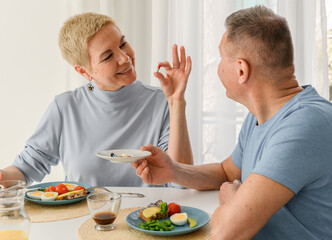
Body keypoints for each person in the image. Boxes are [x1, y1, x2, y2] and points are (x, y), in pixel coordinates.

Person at [132, 5, 332, 239]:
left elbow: (227, 233)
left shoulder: (305, 125)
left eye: (220, 59)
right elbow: (227, 173)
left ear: (241, 70)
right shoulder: (260, 116)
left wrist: (233, 201)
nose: (218, 68)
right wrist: (174, 170)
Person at [0, 12, 193, 187]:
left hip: (148, 220)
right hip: (82, 219)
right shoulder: (65, 107)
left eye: (123, 44)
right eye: (108, 56)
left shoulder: (161, 101)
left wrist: (177, 102)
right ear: (84, 71)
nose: (125, 58)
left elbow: (180, 181)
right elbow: (26, 168)